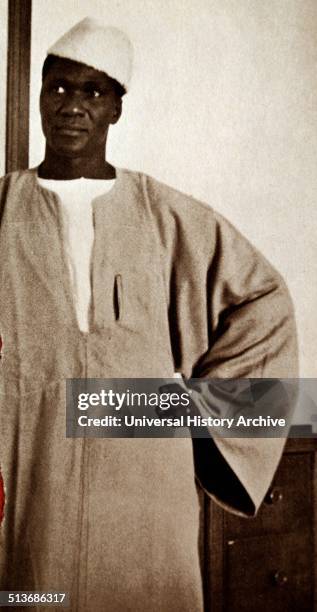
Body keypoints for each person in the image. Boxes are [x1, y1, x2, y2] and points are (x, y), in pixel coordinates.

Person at [0, 17, 298, 612]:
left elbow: (264, 300)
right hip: (31, 460)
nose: (72, 106)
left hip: (144, 479)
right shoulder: (3, 207)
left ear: (116, 108)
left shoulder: (167, 215)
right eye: (58, 88)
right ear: (38, 97)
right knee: (35, 594)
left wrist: (199, 416)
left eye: (93, 91)